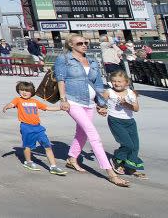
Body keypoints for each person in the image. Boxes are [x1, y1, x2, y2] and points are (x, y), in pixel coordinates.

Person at [54, 35, 130, 187]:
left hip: (89, 102)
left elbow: (99, 85)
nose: (84, 45)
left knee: (82, 133)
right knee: (93, 134)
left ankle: (72, 158)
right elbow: (60, 80)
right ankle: (110, 173)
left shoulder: (93, 61)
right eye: (80, 43)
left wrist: (101, 104)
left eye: (86, 42)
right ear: (71, 45)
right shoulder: (64, 59)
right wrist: (63, 100)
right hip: (73, 100)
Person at [1, 81, 67, 175]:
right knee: (27, 146)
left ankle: (53, 167)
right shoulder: (18, 100)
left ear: (32, 92)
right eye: (22, 90)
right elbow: (11, 104)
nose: (24, 92)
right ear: (18, 91)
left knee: (47, 146)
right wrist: (7, 106)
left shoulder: (35, 101)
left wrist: (60, 108)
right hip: (26, 127)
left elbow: (47, 108)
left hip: (38, 128)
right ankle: (28, 162)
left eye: (27, 90)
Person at [105, 70, 145, 179]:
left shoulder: (131, 93)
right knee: (128, 144)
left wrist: (126, 104)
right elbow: (101, 103)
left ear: (126, 82)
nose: (116, 84)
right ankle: (116, 159)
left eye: (119, 81)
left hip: (130, 121)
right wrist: (101, 109)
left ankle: (131, 167)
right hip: (115, 120)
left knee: (135, 146)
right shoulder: (109, 92)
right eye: (114, 81)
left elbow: (136, 109)